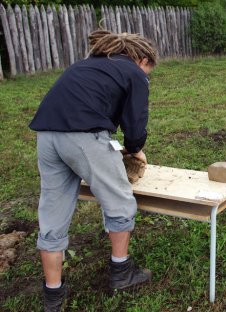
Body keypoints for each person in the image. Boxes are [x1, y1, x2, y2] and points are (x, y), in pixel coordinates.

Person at [29, 30, 157, 312]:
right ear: (142, 60)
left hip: (47, 137)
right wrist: (135, 149)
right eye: (150, 69)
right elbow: (135, 124)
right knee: (120, 201)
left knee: (52, 212)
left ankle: (53, 295)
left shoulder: (83, 65)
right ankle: (121, 273)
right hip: (84, 137)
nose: (148, 74)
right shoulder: (135, 74)